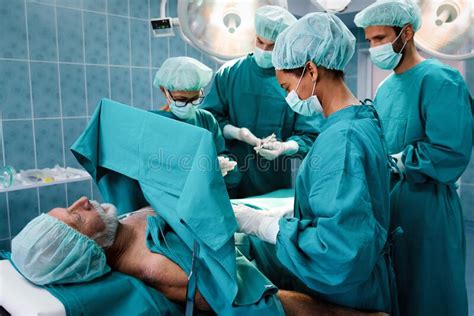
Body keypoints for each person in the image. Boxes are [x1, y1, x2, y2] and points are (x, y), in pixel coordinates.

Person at [232, 12, 397, 314]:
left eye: (286, 87)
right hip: (362, 279)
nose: (287, 97)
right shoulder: (359, 118)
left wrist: (264, 226)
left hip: (345, 293)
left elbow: (338, 249)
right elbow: (351, 204)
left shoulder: (342, 140)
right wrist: (293, 212)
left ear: (310, 70)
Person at [11, 197, 389, 316]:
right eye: (78, 216)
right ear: (89, 249)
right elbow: (263, 305)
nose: (82, 201)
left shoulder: (121, 226)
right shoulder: (160, 267)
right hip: (278, 256)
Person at [354, 1, 472, 315]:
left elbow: (450, 151)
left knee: (430, 295)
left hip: (428, 211)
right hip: (390, 206)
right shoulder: (384, 88)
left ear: (406, 33)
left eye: (380, 38)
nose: (374, 47)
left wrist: (404, 160)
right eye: (369, 40)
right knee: (397, 294)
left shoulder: (440, 80)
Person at [201, 5, 320, 198]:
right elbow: (208, 119)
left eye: (272, 46)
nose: (264, 49)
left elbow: (310, 134)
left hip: (273, 184)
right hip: (230, 179)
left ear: (285, 46)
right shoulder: (229, 73)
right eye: (260, 41)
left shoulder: (295, 81)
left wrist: (284, 147)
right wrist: (238, 133)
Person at [152, 56, 241, 189]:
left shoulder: (206, 120)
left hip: (202, 196)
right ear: (164, 91)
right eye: (181, 100)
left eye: (195, 98)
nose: (189, 105)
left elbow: (231, 170)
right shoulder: (153, 123)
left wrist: (224, 168)